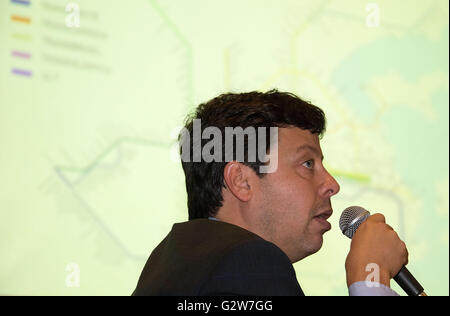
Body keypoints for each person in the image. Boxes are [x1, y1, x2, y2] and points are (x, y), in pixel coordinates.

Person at [132, 90, 408, 296]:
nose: (331, 184)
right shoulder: (247, 263)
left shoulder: (168, 264)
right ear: (241, 181)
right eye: (307, 163)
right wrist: (371, 277)